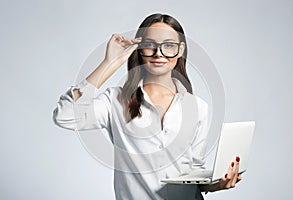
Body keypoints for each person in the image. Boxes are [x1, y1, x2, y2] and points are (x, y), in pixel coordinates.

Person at [53, 13, 242, 200]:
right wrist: (109, 63)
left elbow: (194, 172)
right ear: (139, 49)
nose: (159, 53)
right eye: (150, 45)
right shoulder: (115, 101)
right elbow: (65, 115)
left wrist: (217, 184)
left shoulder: (197, 107)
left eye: (169, 45)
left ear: (180, 49)